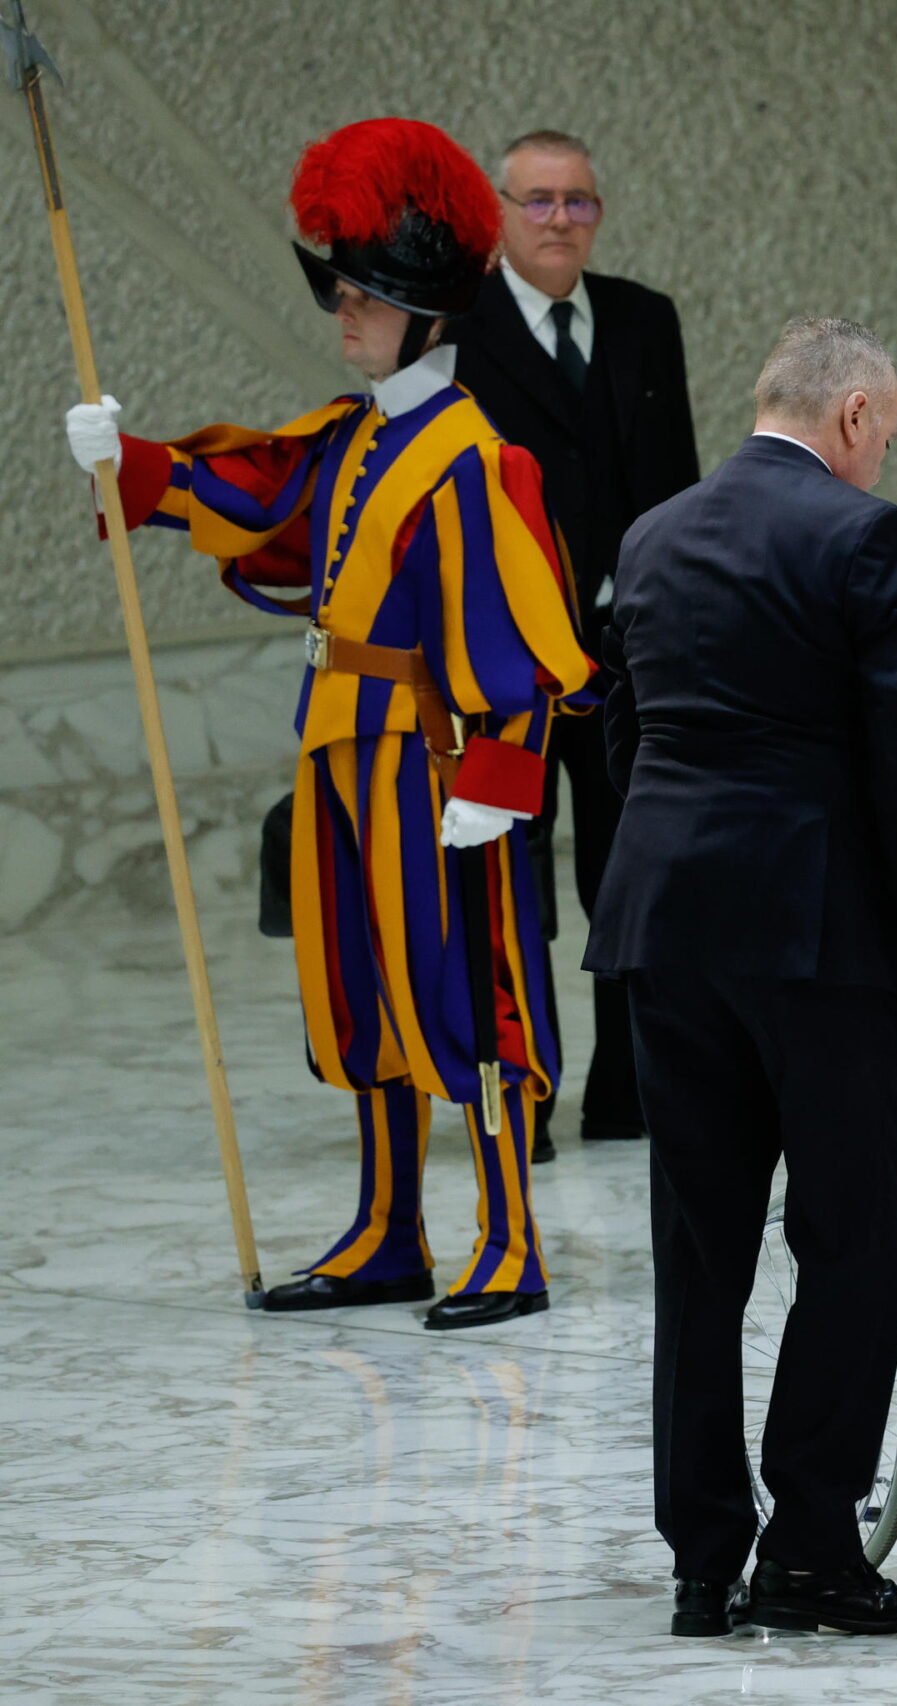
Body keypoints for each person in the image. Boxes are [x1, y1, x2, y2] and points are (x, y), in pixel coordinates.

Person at [62, 117, 592, 1330]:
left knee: (470, 992)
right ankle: (387, 1229)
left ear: (422, 312)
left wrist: (496, 784)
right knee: (357, 991)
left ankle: (507, 1239)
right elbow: (260, 500)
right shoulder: (354, 435)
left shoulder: (476, 459)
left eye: (363, 294)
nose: (343, 312)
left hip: (437, 764)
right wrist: (134, 464)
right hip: (339, 749)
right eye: (342, 289)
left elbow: (526, 647)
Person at [583, 318, 897, 1639]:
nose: (881, 459)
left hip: (665, 924)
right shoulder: (868, 536)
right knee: (851, 1237)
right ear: (856, 413)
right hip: (815, 933)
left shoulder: (650, 535)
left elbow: (625, 731)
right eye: (887, 434)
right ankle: (810, 1547)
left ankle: (703, 1559)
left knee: (699, 1253)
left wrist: (679, 864)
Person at [449, 128, 699, 1162]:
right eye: (539, 201)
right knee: (509, 879)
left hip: (622, 655)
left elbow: (677, 485)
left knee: (628, 872)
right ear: (500, 212)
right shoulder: (454, 328)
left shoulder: (644, 320)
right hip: (502, 661)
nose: (559, 220)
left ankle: (624, 1089)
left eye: (579, 202)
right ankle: (523, 1091)